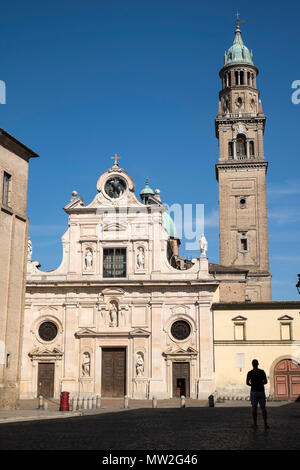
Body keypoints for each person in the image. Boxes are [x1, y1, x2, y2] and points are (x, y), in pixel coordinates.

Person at [246, 359, 269, 429]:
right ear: (258, 364)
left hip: (253, 391)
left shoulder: (250, 372)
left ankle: (255, 424)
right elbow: (265, 382)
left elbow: (247, 383)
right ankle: (265, 424)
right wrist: (260, 383)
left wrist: (252, 385)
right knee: (263, 408)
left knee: (254, 408)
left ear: (252, 364)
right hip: (261, 391)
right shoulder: (262, 372)